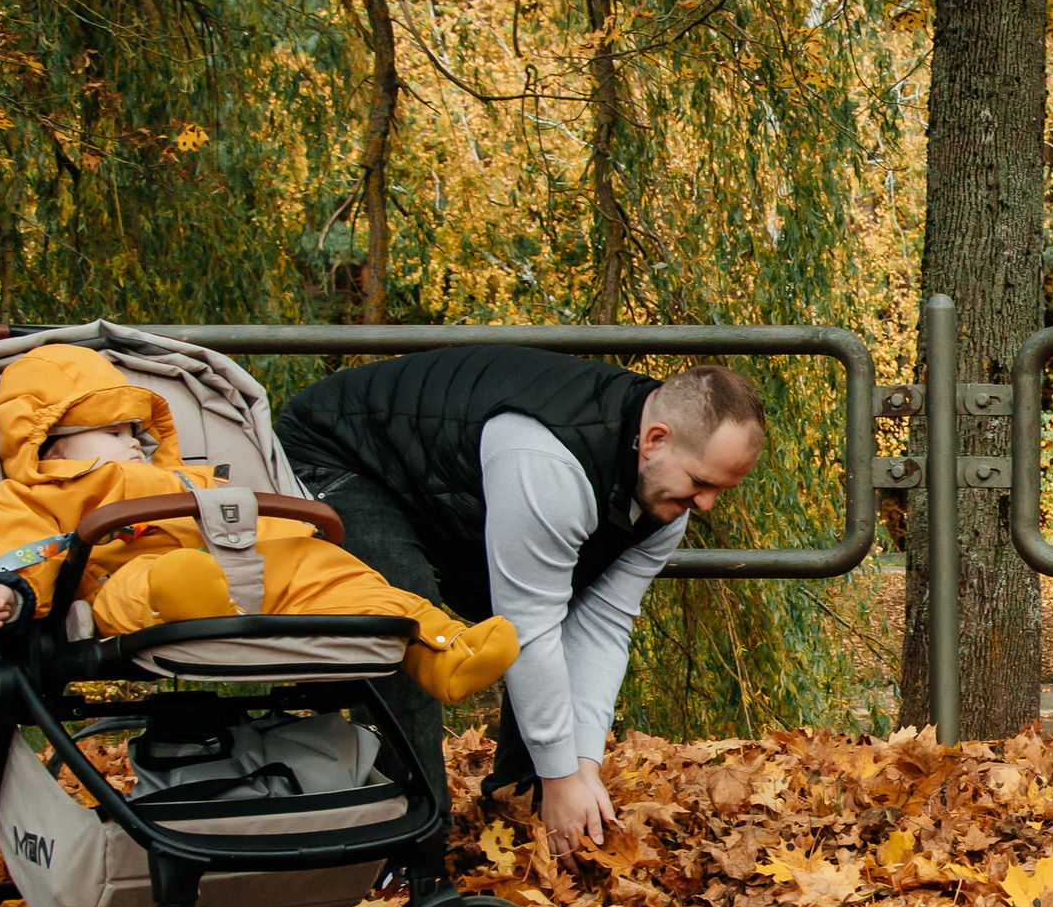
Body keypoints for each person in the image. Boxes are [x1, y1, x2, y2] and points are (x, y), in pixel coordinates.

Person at [275, 349, 765, 863]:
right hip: (340, 454)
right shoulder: (550, 461)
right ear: (656, 439)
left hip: (444, 487)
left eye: (720, 489)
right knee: (404, 627)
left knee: (555, 652)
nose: (707, 505)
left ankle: (521, 815)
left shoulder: (667, 497)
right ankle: (415, 852)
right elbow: (529, 627)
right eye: (701, 483)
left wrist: (581, 768)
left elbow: (602, 626)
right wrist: (560, 778)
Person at [0, 345, 519, 704]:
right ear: (51, 440)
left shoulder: (185, 477)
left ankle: (440, 647)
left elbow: (253, 521)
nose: (134, 441)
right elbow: (15, 547)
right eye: (115, 431)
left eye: (137, 429)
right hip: (122, 583)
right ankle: (189, 600)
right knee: (159, 579)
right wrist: (5, 592)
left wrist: (295, 540)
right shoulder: (30, 494)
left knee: (331, 569)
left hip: (238, 568)